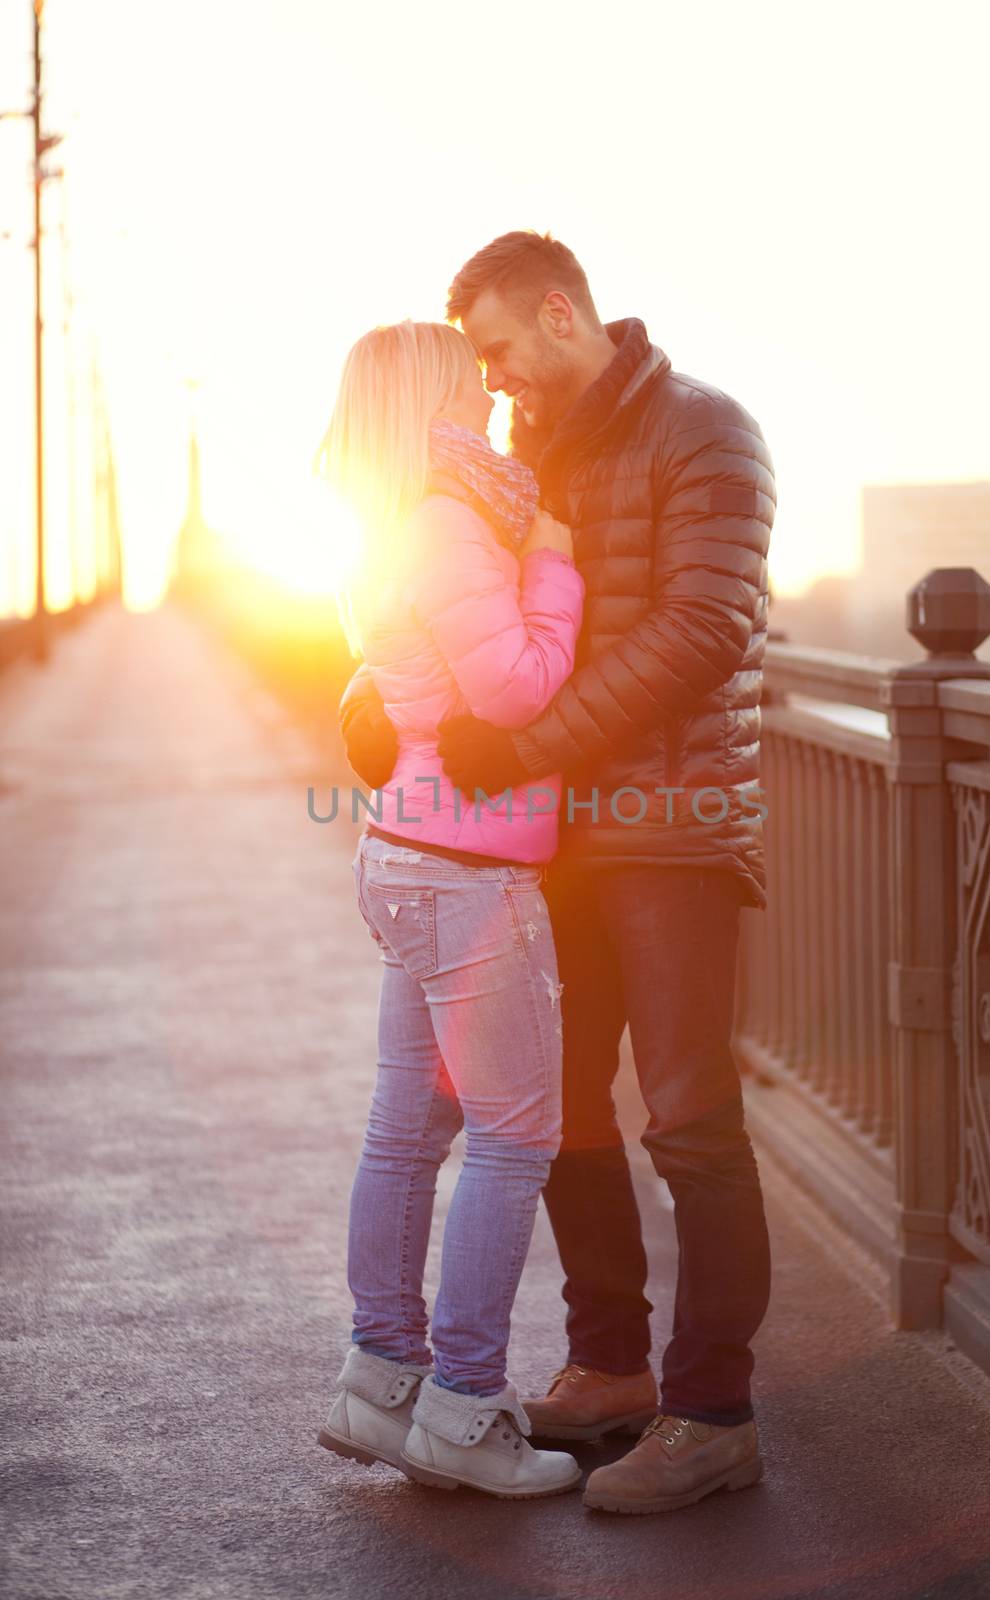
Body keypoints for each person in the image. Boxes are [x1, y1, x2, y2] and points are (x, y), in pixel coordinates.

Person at [340, 233, 776, 1517]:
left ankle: (711, 1412)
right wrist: (373, 695)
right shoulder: (526, 459)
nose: (493, 380)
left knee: (689, 1119)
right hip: (548, 838)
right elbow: (457, 602)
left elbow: (705, 628)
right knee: (559, 1113)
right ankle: (606, 1368)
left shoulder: (708, 429)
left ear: (558, 310)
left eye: (497, 351)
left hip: (674, 828)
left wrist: (523, 741)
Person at [316, 318, 586, 1500]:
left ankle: (380, 1387)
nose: (485, 393)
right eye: (465, 377)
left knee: (405, 1127)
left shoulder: (385, 524)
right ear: (426, 397)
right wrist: (555, 561)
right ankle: (465, 1410)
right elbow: (517, 683)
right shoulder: (444, 524)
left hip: (407, 848)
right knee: (514, 1136)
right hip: (469, 869)